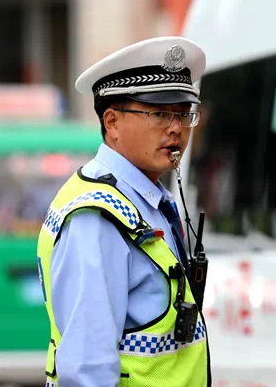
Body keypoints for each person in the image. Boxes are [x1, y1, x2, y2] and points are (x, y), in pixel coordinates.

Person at [36, 36, 211, 387]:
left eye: (183, 114)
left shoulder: (146, 199)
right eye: (159, 113)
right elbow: (87, 372)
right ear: (112, 122)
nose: (176, 128)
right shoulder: (97, 218)